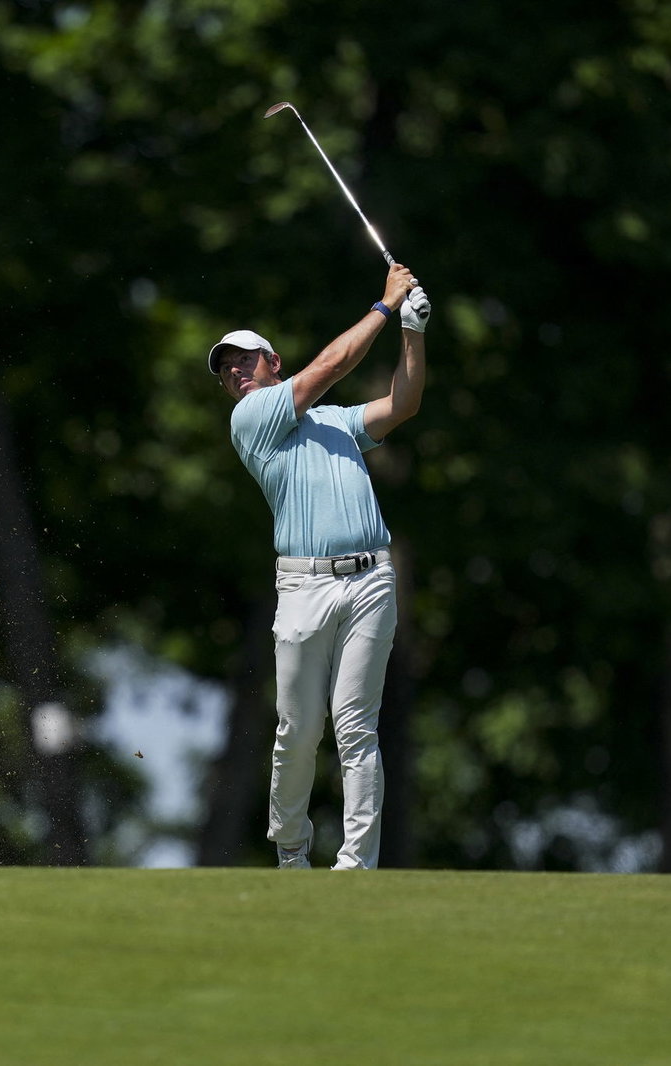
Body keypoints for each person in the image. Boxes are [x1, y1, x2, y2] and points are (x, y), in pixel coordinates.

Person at [209, 262, 431, 870]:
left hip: (371, 580)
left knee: (356, 726)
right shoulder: (252, 421)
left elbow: (403, 404)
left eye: (244, 361)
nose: (234, 372)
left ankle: (357, 865)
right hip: (303, 585)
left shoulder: (335, 423)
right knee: (298, 732)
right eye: (225, 369)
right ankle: (291, 850)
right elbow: (331, 366)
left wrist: (413, 330)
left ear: (272, 361)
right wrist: (385, 306)